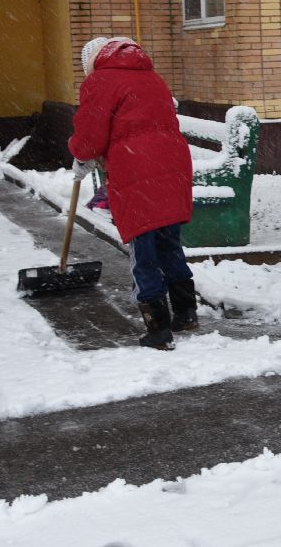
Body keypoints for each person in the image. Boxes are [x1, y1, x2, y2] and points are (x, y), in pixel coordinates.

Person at [69, 35, 197, 349]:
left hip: (136, 167)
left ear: (94, 61)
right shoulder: (151, 77)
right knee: (167, 242)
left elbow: (90, 133)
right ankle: (186, 313)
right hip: (172, 164)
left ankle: (158, 330)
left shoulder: (101, 81)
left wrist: (82, 155)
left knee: (143, 250)